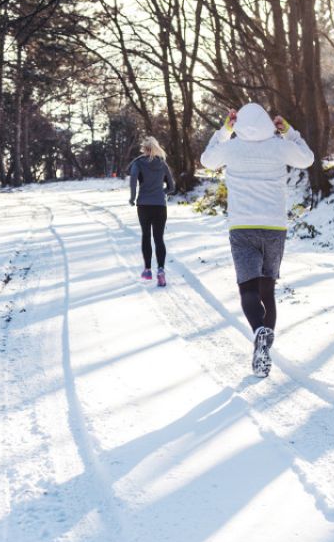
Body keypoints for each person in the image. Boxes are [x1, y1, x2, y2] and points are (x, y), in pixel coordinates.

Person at [200, 102, 314, 377]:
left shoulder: (231, 146)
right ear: (266, 121)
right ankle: (265, 347)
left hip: (242, 227)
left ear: (238, 124)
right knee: (268, 290)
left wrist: (225, 130)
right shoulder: (278, 145)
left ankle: (258, 331)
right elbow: (307, 158)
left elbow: (206, 160)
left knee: (248, 289)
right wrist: (288, 131)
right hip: (274, 227)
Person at [127, 136, 176, 287]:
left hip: (143, 205)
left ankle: (147, 270)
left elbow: (133, 178)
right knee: (159, 238)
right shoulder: (162, 163)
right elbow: (172, 186)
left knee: (146, 236)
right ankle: (160, 270)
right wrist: (163, 192)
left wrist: (133, 197)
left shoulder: (138, 162)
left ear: (144, 149)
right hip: (160, 205)